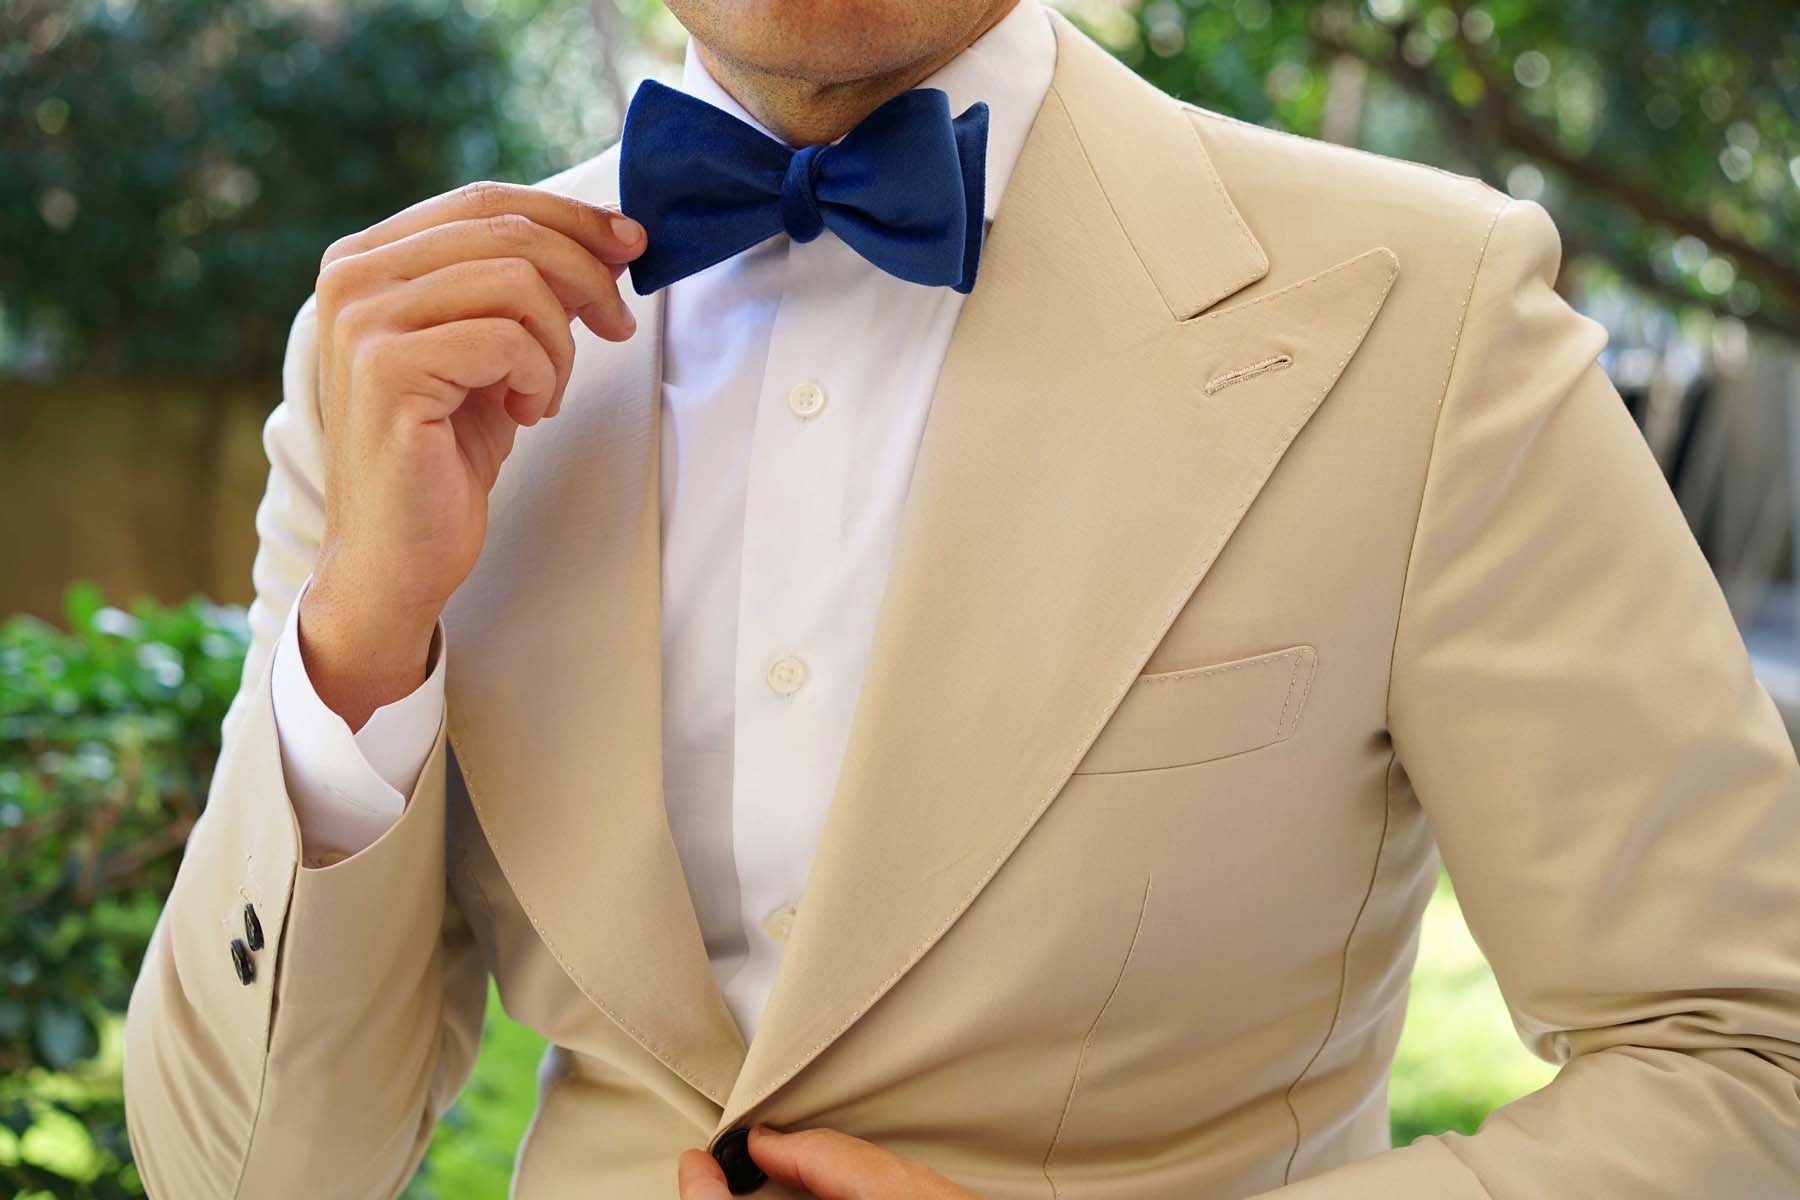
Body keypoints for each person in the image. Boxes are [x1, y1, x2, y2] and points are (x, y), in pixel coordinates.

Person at [121, 0, 1800, 1196]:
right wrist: (361, 639)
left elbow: (1748, 1064)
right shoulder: (402, 356)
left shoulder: (1427, 317)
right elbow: (244, 1175)